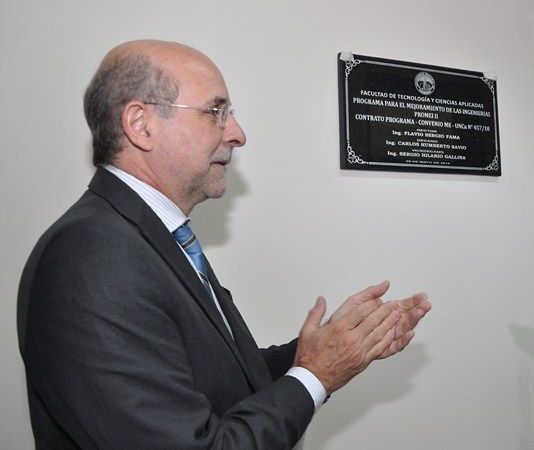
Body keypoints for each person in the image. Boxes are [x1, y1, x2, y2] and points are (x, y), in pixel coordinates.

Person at [17, 40, 431, 449]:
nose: (237, 134)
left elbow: (219, 381)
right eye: (216, 112)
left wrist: (331, 348)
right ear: (140, 124)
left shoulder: (149, 236)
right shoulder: (92, 255)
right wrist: (316, 375)